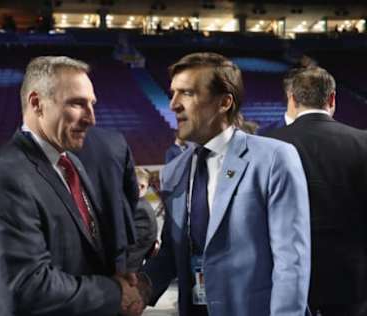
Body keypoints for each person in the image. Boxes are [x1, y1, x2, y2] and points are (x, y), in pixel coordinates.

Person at [0, 56, 142, 316]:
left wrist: (118, 275)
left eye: (92, 104)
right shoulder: (2, 178)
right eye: (77, 104)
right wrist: (114, 292)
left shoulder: (68, 161)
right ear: (37, 103)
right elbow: (27, 288)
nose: (91, 118)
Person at [140, 52, 311, 316]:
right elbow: (173, 253)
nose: (173, 104)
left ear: (224, 102)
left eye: (187, 93)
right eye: (173, 93)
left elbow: (292, 261)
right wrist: (141, 287)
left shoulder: (274, 158)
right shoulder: (174, 171)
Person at [265, 66, 367, 316]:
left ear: (292, 99)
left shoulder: (267, 145)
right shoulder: (363, 142)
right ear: (332, 99)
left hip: (287, 285)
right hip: (352, 283)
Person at [76, 126, 139, 275]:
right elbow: (132, 193)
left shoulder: (58, 143)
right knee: (118, 295)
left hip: (75, 251)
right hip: (116, 242)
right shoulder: (115, 139)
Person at [126, 167, 158, 271]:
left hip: (126, 272)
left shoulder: (141, 211)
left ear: (141, 187)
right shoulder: (136, 206)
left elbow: (129, 247)